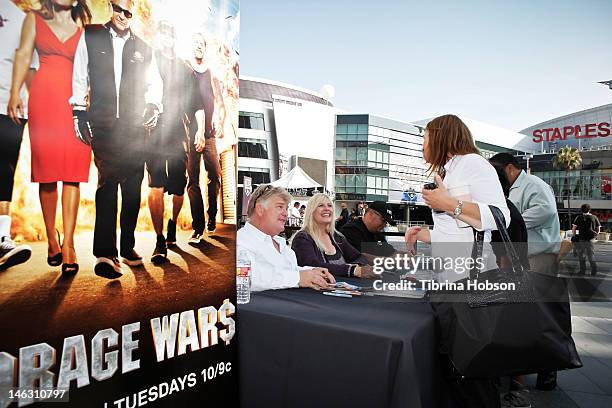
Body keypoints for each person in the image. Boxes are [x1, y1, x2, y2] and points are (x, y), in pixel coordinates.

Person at [404, 114, 509, 408]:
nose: (422, 144)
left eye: (425, 137)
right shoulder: (450, 170)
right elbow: (459, 232)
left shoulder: (473, 163)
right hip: (450, 285)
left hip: (468, 288)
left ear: (442, 136)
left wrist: (448, 203)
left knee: (469, 377)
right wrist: (427, 234)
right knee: (455, 374)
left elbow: (499, 217)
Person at [70, 0, 162, 279]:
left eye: (128, 12)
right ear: (111, 7)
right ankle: (105, 254)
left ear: (133, 13)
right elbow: (79, 74)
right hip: (104, 124)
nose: (123, 16)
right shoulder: (92, 35)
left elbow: (155, 83)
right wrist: (77, 112)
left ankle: (127, 246)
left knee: (133, 189)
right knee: (107, 183)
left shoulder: (144, 49)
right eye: (118, 9)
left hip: (135, 129)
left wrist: (154, 106)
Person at [9, 0, 92, 274]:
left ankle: (68, 244)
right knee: (47, 173)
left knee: (72, 172)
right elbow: (22, 55)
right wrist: (14, 93)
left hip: (76, 105)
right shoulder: (34, 19)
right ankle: (51, 239)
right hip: (43, 102)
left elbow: (93, 69)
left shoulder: (85, 28)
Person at [489, 152, 562, 392]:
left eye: (498, 171)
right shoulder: (510, 187)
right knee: (524, 314)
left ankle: (547, 370)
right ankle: (527, 367)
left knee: (541, 315)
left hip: (539, 257)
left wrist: (511, 219)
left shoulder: (534, 185)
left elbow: (547, 211)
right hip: (520, 258)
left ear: (510, 168)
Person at [145, 20, 193, 264]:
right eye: (162, 34)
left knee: (177, 188)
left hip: (177, 132)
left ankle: (172, 224)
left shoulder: (184, 67)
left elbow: (193, 103)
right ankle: (159, 239)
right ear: (158, 37)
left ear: (175, 38)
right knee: (155, 186)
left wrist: (195, 131)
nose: (166, 38)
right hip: (153, 132)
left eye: (170, 34)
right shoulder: (149, 59)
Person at [237, 185, 336, 291]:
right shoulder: (241, 242)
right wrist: (299, 277)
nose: (285, 213)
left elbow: (283, 271)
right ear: (260, 209)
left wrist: (312, 272)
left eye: (286, 208)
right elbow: (245, 278)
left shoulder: (279, 242)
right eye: (280, 207)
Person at [0, 0, 34, 271]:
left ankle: (2, 238)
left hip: (9, 107)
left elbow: (31, 71)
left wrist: (39, 108)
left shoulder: (24, 19)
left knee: (4, 170)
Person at [186, 32, 223, 243]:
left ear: (205, 48)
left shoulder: (210, 73)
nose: (198, 46)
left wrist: (217, 117)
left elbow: (215, 99)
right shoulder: (186, 70)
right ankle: (197, 227)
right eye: (195, 43)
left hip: (209, 135)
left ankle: (211, 217)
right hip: (190, 134)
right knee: (192, 181)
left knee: (215, 176)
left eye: (201, 44)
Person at [291, 193, 374, 278]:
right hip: (316, 290)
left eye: (330, 205)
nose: (327, 209)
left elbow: (358, 256)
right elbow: (312, 265)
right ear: (311, 211)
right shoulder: (302, 238)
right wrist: (351, 270)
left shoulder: (337, 237)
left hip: (343, 289)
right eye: (321, 205)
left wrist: (358, 267)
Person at [572, 204, 600, 276]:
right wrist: (595, 235)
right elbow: (598, 229)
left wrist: (574, 236)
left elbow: (574, 229)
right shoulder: (594, 217)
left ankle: (582, 271)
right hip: (590, 240)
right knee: (591, 255)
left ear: (581, 210)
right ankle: (594, 271)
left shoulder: (578, 217)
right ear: (589, 210)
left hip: (581, 239)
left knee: (581, 256)